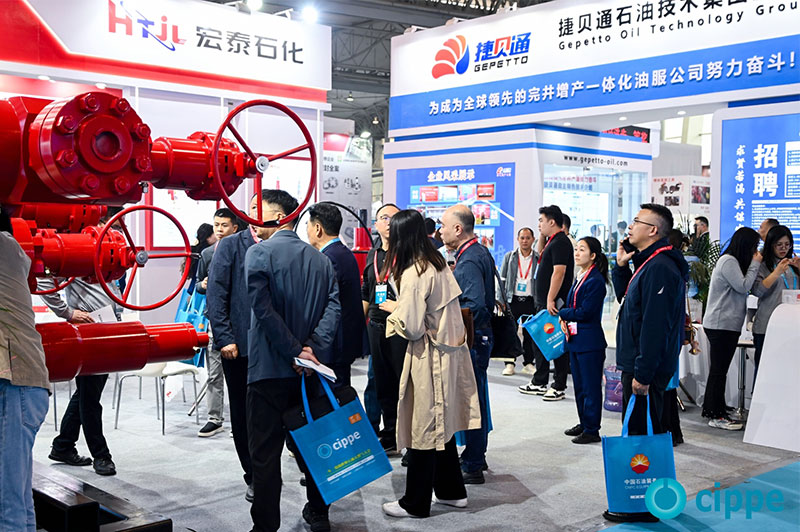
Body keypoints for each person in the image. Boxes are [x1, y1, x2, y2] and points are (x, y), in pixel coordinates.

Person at [245, 189, 341, 532]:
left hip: (268, 371)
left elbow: (263, 311)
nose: (252, 218)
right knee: (315, 448)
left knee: (265, 456)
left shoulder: (258, 253)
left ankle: (265, 526)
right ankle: (319, 513)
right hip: (309, 374)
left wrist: (293, 350)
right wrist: (310, 350)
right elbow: (333, 309)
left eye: (258, 210)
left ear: (279, 216)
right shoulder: (321, 260)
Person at [377, 210, 481, 519]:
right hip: (449, 354)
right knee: (440, 424)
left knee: (423, 427)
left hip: (429, 357)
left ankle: (415, 503)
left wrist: (395, 311)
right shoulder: (437, 263)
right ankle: (452, 492)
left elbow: (411, 327)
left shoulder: (415, 271)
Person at [606, 203, 688, 523]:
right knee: (638, 435)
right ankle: (640, 501)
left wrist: (643, 373)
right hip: (638, 364)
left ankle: (644, 505)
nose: (630, 227)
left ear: (653, 230)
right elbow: (628, 300)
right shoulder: (648, 263)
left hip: (645, 370)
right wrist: (620, 266)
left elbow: (655, 327)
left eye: (636, 222)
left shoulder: (661, 267)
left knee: (643, 436)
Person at [39, 269, 120, 476]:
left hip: (106, 329)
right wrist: (68, 313)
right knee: (90, 398)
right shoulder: (81, 259)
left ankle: (63, 445)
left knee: (86, 393)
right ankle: (101, 455)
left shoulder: (103, 260)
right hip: (90, 332)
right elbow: (44, 282)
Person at [206, 198, 260, 502]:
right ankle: (252, 474)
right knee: (242, 412)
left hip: (275, 347)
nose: (257, 213)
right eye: (253, 207)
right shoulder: (230, 245)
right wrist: (225, 337)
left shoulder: (282, 244)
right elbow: (216, 294)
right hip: (238, 346)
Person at [0, 208, 51, 532]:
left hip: (15, 385)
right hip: (24, 385)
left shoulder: (2, 247)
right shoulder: (13, 251)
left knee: (7, 504)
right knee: (17, 497)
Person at [439, 204, 495, 484]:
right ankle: (476, 456)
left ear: (458, 229)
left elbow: (474, 305)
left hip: (472, 341)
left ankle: (473, 463)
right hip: (479, 338)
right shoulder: (477, 252)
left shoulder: (470, 259)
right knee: (476, 399)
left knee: (472, 402)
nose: (440, 231)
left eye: (443, 226)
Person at [701, 227, 762, 431]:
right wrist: (755, 264)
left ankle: (714, 408)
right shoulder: (728, 261)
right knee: (719, 371)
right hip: (721, 324)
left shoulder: (732, 262)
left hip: (726, 324)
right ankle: (715, 415)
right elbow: (743, 286)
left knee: (720, 370)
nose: (756, 251)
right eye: (754, 246)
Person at [361, 203, 407, 454]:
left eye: (394, 218)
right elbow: (367, 291)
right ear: (376, 224)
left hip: (401, 326)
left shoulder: (408, 253)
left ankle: (405, 435)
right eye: (384, 218)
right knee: (381, 382)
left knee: (403, 383)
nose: (388, 222)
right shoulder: (373, 253)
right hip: (377, 326)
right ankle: (388, 434)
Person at [518, 205, 574, 402]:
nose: (539, 224)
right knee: (541, 340)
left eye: (542, 221)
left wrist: (550, 298)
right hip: (543, 301)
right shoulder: (552, 241)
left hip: (554, 302)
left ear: (552, 222)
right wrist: (542, 234)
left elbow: (559, 272)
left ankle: (559, 385)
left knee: (555, 341)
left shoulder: (561, 242)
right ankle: (540, 381)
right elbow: (540, 252)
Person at [306, 203, 364, 387]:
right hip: (341, 343)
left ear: (318, 228)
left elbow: (323, 303)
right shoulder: (343, 253)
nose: (307, 231)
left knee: (332, 397)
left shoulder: (329, 258)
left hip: (333, 345)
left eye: (308, 225)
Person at [194, 208, 240, 438]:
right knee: (214, 373)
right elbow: (196, 285)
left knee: (239, 375)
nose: (220, 229)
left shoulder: (245, 251)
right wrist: (203, 285)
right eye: (216, 225)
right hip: (214, 321)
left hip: (238, 322)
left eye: (224, 225)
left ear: (235, 228)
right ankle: (215, 418)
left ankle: (240, 420)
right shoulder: (207, 254)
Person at [559, 237, 608, 444]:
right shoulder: (581, 276)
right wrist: (565, 316)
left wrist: (563, 312)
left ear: (593, 255)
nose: (577, 253)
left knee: (590, 387)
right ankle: (584, 422)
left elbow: (586, 312)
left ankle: (592, 429)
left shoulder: (595, 280)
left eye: (582, 250)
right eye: (576, 249)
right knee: (579, 386)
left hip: (590, 342)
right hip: (576, 340)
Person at [751, 225, 800, 385]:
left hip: (791, 326)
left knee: (788, 371)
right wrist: (776, 272)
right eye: (779, 245)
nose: (784, 248)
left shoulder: (793, 265)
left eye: (787, 244)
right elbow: (757, 290)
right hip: (767, 325)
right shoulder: (763, 265)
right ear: (771, 245)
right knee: (764, 370)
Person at [498, 227, 537, 376]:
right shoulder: (510, 257)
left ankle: (528, 363)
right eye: (522, 238)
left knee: (529, 334)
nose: (525, 241)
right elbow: (502, 279)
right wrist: (500, 300)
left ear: (533, 239)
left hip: (530, 301)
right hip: (512, 300)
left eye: (528, 238)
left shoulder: (537, 258)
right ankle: (509, 363)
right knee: (510, 332)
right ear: (518, 239)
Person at [185, 222, 216, 288]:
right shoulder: (206, 253)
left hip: (193, 287)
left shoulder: (194, 251)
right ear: (208, 237)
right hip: (202, 287)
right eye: (214, 233)